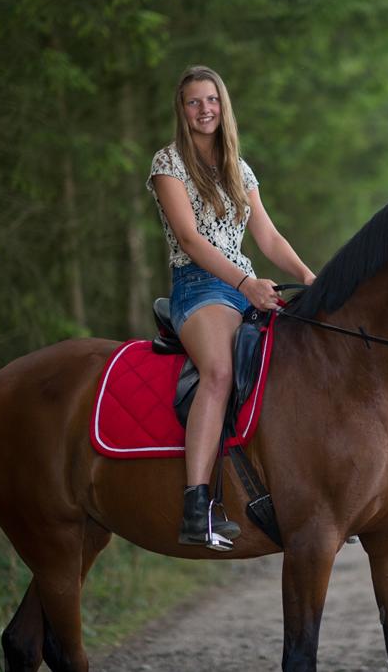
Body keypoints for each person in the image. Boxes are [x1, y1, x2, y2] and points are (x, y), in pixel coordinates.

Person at [147, 65, 315, 549]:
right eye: (194, 102)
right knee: (218, 373)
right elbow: (189, 238)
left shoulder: (239, 168)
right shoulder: (168, 164)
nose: (205, 110)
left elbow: (266, 235)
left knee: (300, 363)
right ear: (182, 111)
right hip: (200, 288)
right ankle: (196, 506)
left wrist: (308, 278)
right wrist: (246, 282)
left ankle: (308, 492)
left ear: (224, 105)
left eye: (211, 100)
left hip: (246, 285)